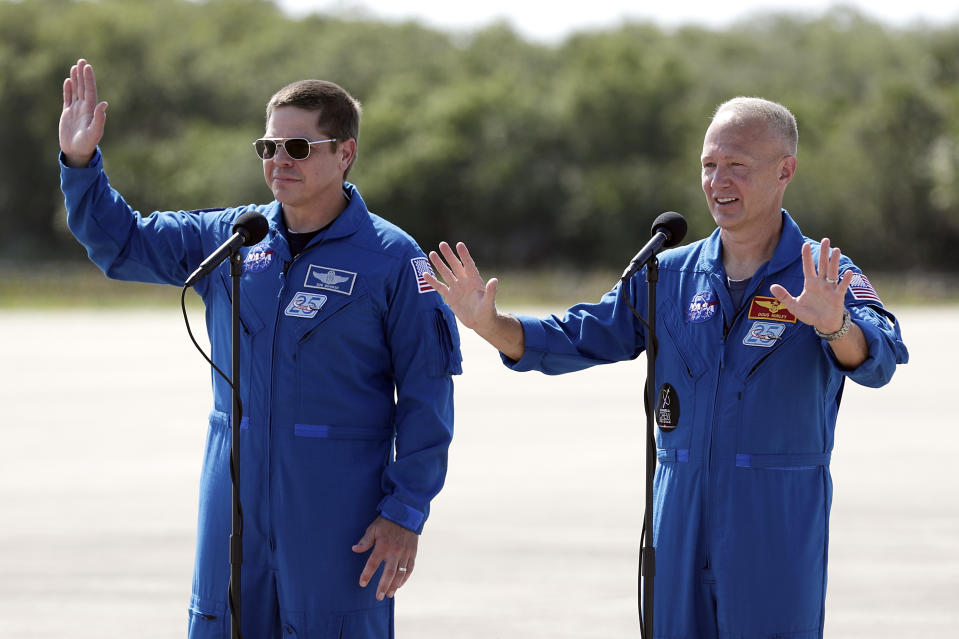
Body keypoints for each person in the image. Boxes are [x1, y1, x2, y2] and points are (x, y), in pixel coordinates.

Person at [425, 97, 908, 638]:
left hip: (775, 518)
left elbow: (880, 358)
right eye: (708, 165)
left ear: (785, 171)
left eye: (737, 166)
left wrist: (834, 324)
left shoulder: (824, 275)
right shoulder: (668, 275)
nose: (717, 180)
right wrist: (490, 324)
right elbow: (578, 335)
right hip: (677, 516)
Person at [59, 58, 462, 638]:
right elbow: (121, 243)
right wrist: (80, 164)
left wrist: (405, 512)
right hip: (232, 499)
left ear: (345, 153)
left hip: (336, 508)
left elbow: (427, 395)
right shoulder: (231, 239)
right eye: (268, 147)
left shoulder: (393, 259)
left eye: (298, 147)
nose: (279, 161)